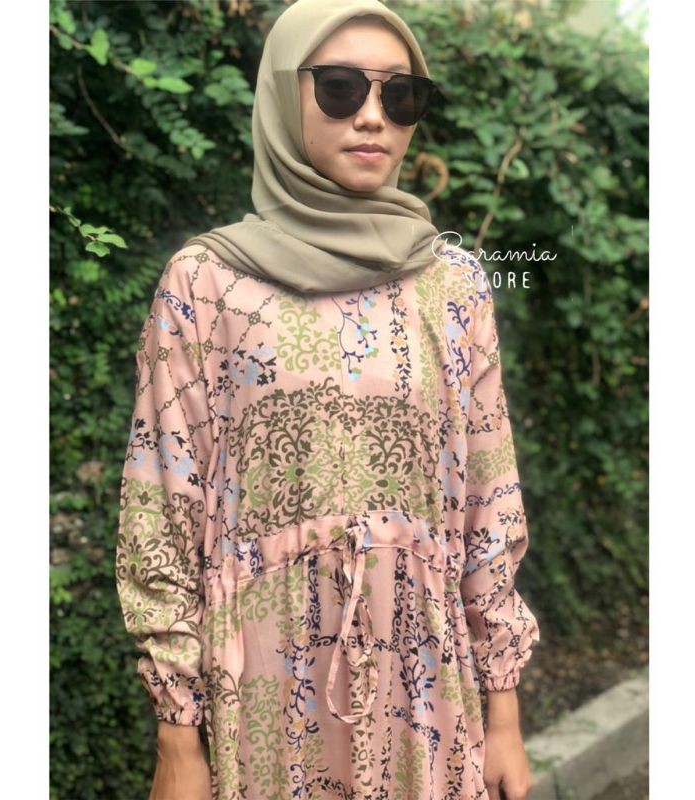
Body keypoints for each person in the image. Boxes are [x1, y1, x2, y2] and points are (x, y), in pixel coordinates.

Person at [114, 1, 541, 798]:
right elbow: (162, 506)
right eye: (341, 88)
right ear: (284, 94)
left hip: (425, 691)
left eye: (400, 95)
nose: (373, 116)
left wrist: (505, 714)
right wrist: (177, 734)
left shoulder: (453, 285)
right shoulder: (205, 283)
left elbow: (490, 498)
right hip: (264, 685)